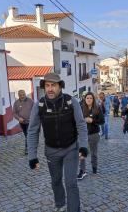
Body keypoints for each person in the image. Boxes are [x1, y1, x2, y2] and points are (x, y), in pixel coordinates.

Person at [27, 72, 88, 212]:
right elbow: (32, 131)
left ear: (60, 86)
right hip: (51, 151)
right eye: (47, 85)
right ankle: (60, 204)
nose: (49, 89)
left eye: (53, 85)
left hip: (70, 148)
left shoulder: (71, 102)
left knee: (71, 182)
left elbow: (81, 125)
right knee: (56, 181)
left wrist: (83, 146)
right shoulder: (39, 105)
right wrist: (32, 156)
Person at [78, 92, 104, 180]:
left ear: (93, 99)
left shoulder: (97, 109)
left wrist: (92, 121)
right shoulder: (81, 108)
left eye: (91, 98)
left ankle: (94, 168)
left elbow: (102, 121)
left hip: (94, 134)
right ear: (85, 99)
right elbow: (76, 121)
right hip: (83, 135)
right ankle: (82, 171)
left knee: (93, 153)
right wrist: (83, 120)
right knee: (81, 153)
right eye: (87, 98)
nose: (89, 99)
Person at [13, 90, 34, 155]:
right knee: (26, 135)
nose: (22, 96)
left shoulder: (30, 101)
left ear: (25, 94)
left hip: (30, 121)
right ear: (18, 95)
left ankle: (27, 149)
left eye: (23, 94)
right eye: (20, 95)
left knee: (28, 135)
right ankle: (31, 143)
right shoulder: (16, 103)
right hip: (22, 123)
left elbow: (35, 110)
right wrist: (19, 118)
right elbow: (14, 113)